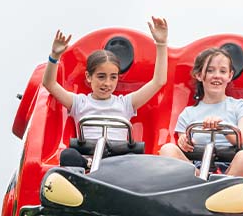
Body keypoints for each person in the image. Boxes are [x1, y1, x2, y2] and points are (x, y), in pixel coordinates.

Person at [43, 17, 169, 167]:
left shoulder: (125, 103)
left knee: (137, 160)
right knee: (68, 155)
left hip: (118, 161)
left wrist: (161, 44)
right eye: (101, 77)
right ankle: (88, 169)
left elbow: (158, 81)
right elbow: (49, 83)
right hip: (88, 158)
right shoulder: (79, 102)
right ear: (89, 77)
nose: (107, 83)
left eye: (113, 77)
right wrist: (55, 56)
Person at [159, 46, 243, 177]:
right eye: (210, 71)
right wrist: (184, 142)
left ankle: (219, 188)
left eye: (222, 71)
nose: (217, 76)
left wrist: (221, 128)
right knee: (167, 149)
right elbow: (184, 143)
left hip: (231, 167)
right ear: (199, 75)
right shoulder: (188, 113)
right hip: (197, 169)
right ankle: (202, 185)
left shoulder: (240, 106)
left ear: (229, 76)